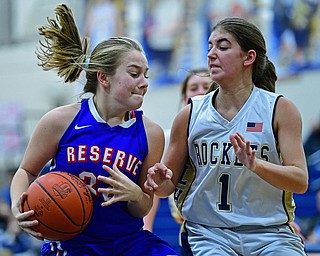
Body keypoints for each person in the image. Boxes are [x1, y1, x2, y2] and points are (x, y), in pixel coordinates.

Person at [9, 4, 178, 256]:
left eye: (146, 74)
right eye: (134, 73)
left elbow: (143, 206)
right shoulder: (60, 120)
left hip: (127, 242)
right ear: (103, 78)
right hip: (70, 245)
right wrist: (17, 205)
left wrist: (135, 194)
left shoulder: (150, 133)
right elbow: (26, 170)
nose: (143, 83)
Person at [144, 17, 308, 256]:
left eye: (222, 46)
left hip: (271, 234)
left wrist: (256, 165)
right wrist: (158, 181)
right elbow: (166, 187)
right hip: (208, 234)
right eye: (210, 46)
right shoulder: (190, 114)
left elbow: (300, 180)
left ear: (248, 57)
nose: (211, 54)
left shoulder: (280, 109)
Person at [143, 68, 215, 232]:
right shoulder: (168, 137)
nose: (200, 92)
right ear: (185, 98)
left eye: (206, 86)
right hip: (188, 223)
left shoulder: (229, 134)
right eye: (194, 88)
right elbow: (153, 186)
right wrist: (146, 229)